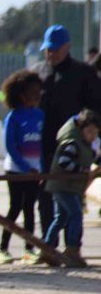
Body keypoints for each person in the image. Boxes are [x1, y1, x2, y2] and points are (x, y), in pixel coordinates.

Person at [32, 25, 101, 245]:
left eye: (55, 49)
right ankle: (47, 247)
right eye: (47, 49)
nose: (50, 54)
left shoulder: (84, 73)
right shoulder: (38, 72)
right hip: (44, 147)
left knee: (72, 199)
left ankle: (73, 248)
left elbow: (97, 108)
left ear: (68, 47)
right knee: (45, 197)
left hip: (75, 147)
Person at [38, 109, 99, 268]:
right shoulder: (72, 142)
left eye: (95, 133)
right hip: (63, 186)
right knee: (76, 214)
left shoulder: (84, 144)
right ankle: (71, 250)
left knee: (61, 218)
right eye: (89, 132)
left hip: (67, 186)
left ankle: (48, 248)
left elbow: (90, 157)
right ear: (81, 129)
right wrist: (82, 171)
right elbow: (65, 162)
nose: (92, 136)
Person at [0, 70, 44, 265]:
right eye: (33, 92)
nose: (37, 95)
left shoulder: (40, 115)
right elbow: (10, 146)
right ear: (21, 94)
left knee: (29, 209)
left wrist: (39, 167)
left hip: (35, 171)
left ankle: (29, 249)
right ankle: (2, 249)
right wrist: (25, 166)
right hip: (15, 170)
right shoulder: (13, 117)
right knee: (15, 208)